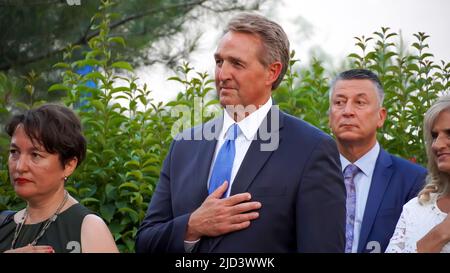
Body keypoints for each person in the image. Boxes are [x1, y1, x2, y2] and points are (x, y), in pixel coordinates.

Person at [135, 13, 346, 253]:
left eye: (237, 63)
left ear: (272, 72)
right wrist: (192, 226)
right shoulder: (184, 146)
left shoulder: (311, 149)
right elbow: (145, 243)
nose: (222, 75)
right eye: (219, 62)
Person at [328, 68, 427, 253]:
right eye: (339, 102)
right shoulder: (309, 173)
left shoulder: (413, 180)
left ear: (381, 117)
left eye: (360, 102)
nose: (347, 111)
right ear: (329, 116)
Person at [0, 104, 118, 253]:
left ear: (69, 164)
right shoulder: (3, 224)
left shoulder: (88, 229)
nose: (20, 166)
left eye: (35, 155)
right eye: (14, 152)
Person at [386, 95, 450, 253]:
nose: (437, 144)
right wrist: (441, 233)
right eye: (434, 136)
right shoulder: (416, 209)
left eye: (449, 133)